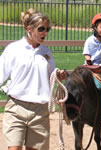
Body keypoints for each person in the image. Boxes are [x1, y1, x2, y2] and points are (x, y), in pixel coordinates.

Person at [0, 8, 66, 150]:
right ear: (28, 28)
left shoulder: (46, 52)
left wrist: (58, 76)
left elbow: (51, 77)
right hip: (16, 108)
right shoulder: (13, 49)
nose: (45, 32)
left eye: (47, 29)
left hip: (40, 111)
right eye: (41, 28)